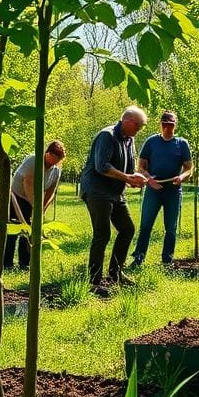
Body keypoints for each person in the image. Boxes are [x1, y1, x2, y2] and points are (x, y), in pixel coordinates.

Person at [79, 106, 148, 290]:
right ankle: (94, 282)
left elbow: (126, 170)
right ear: (127, 121)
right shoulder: (107, 136)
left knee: (127, 229)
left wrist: (135, 179)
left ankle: (115, 273)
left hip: (115, 193)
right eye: (138, 126)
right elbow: (101, 166)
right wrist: (127, 178)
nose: (139, 130)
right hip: (96, 191)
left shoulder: (129, 140)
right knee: (102, 234)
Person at [130, 111, 193, 269]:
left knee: (171, 228)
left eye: (171, 125)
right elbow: (141, 166)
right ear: (161, 124)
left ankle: (167, 261)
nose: (168, 128)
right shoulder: (151, 142)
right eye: (165, 124)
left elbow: (188, 168)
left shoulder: (182, 144)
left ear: (175, 125)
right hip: (153, 189)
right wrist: (149, 179)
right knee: (146, 225)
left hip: (173, 190)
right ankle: (138, 258)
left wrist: (182, 177)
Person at [4, 140, 67, 270]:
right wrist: (35, 205)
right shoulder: (34, 160)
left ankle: (24, 263)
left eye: (58, 159)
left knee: (29, 232)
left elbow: (51, 191)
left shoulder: (56, 171)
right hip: (17, 197)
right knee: (13, 229)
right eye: (54, 157)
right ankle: (7, 263)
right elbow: (27, 183)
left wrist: (42, 208)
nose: (54, 161)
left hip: (33, 201)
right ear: (47, 153)